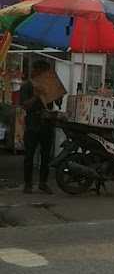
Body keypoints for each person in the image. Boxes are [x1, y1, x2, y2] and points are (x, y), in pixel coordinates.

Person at [20, 59, 59, 195]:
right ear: (36, 71)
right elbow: (25, 105)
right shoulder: (27, 86)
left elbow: (56, 103)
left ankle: (43, 183)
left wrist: (55, 90)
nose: (45, 75)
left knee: (46, 156)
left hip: (47, 123)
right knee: (29, 155)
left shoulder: (48, 84)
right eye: (43, 72)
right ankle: (28, 184)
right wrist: (36, 96)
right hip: (32, 123)